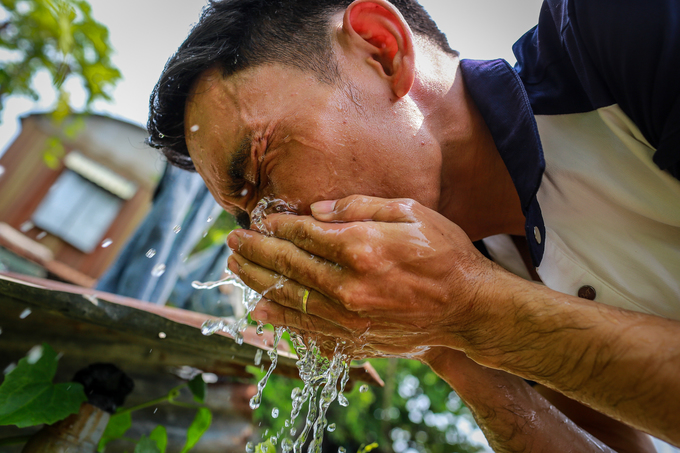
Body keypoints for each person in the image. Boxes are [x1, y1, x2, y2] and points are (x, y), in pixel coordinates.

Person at [146, 0, 680, 450]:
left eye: (263, 169)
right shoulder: (474, 265)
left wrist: (475, 309)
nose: (270, 231)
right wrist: (443, 346)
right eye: (247, 218)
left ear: (381, 48)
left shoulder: (622, 29)